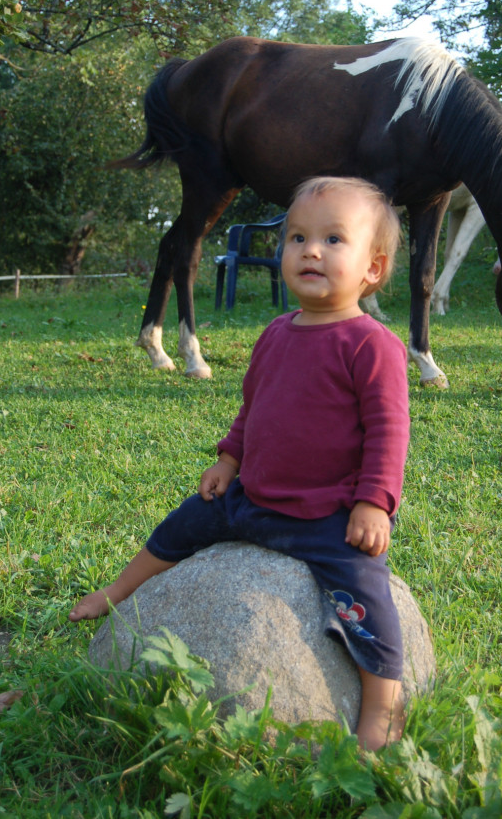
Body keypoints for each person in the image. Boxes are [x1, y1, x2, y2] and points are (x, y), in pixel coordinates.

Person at [70, 176, 410, 750]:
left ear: (372, 269)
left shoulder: (372, 345)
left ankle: (382, 702)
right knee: (180, 525)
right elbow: (256, 407)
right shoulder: (276, 334)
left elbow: (388, 432)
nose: (311, 251)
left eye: (333, 239)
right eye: (297, 237)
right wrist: (229, 459)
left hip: (327, 515)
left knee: (365, 594)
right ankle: (118, 591)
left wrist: (373, 502)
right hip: (252, 498)